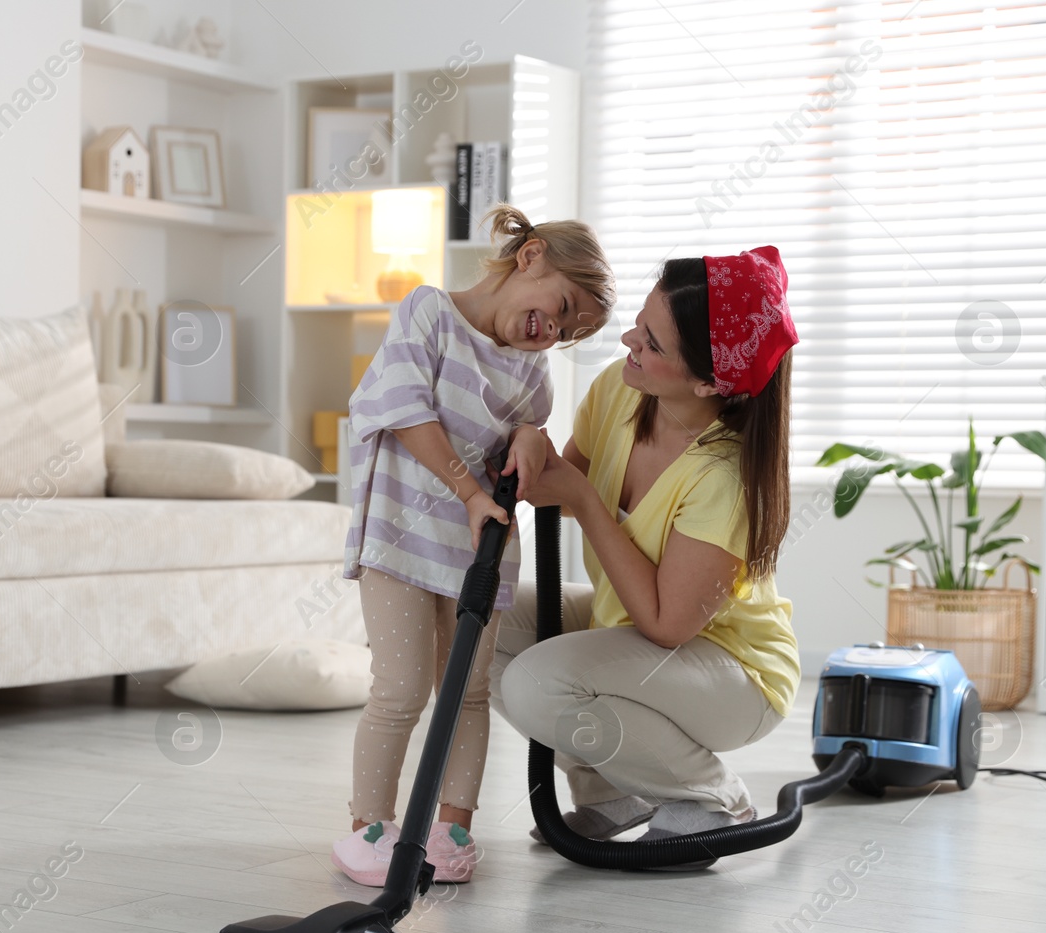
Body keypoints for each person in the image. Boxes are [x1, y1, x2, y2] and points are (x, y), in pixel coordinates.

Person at [490, 246, 801, 870]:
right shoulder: (620, 391)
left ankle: (711, 797)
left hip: (733, 673)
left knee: (536, 680)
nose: (629, 339)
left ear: (709, 382)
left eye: (653, 343)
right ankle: (615, 793)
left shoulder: (725, 475)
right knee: (468, 625)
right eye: (641, 320)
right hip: (632, 631)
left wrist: (580, 496)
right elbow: (558, 480)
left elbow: (665, 624)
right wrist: (527, 434)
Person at [332, 205, 616, 887]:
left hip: (476, 553)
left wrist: (530, 439)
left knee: (468, 694)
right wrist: (467, 490)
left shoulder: (530, 374)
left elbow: (529, 437)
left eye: (568, 333)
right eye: (562, 307)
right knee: (401, 689)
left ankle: (451, 828)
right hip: (399, 541)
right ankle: (368, 826)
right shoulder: (429, 314)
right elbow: (402, 412)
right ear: (531, 257)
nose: (552, 331)